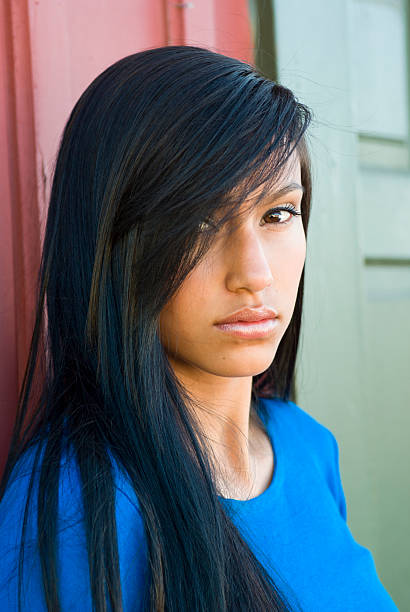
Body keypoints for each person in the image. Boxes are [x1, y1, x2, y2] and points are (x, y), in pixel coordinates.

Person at [0, 45, 399, 612]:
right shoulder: (75, 507)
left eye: (279, 213)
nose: (254, 274)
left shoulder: (307, 446)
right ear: (114, 244)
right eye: (199, 222)